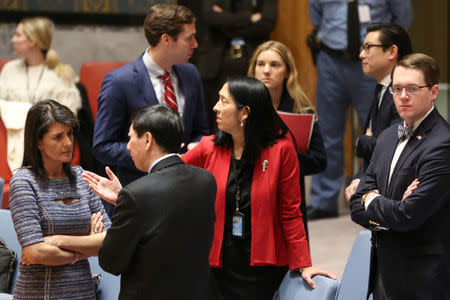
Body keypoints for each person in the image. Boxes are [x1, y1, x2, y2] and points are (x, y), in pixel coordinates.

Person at [183, 77, 336, 299]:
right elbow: (172, 171)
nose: (215, 107)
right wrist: (127, 193)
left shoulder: (281, 150)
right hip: (217, 263)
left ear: (244, 113)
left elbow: (291, 212)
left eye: (223, 101)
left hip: (261, 267)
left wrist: (304, 264)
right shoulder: (210, 146)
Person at [84, 104, 217, 300]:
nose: (128, 146)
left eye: (130, 138)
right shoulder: (206, 180)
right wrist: (123, 196)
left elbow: (111, 262)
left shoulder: (136, 195)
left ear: (147, 139)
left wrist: (97, 234)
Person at [350, 53, 450, 299]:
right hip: (383, 270)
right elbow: (355, 204)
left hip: (423, 277)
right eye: (397, 89)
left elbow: (409, 215)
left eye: (413, 89)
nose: (403, 96)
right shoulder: (386, 137)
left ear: (434, 91)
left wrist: (373, 200)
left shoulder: (442, 144)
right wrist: (388, 207)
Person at [308, 0, 413, 219]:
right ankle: (324, 200)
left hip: (372, 61)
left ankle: (378, 194)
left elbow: (402, 17)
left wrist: (380, 47)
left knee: (381, 132)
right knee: (327, 131)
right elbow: (316, 17)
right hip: (331, 59)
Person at [92, 3, 208, 189]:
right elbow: (103, 146)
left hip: (185, 187)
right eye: (190, 38)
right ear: (166, 40)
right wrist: (157, 158)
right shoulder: (120, 81)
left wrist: (195, 148)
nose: (195, 44)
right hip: (138, 190)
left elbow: (200, 131)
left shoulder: (191, 74)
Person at [8, 100, 110, 300]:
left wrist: (58, 241)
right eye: (58, 137)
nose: (68, 143)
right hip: (39, 294)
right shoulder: (23, 182)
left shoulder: (81, 177)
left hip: (83, 292)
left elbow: (108, 241)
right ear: (38, 142)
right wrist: (84, 250)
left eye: (70, 133)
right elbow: (35, 252)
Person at [247, 40, 327, 240]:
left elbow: (319, 160)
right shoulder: (239, 109)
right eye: (260, 64)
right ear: (253, 69)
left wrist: (282, 157)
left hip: (288, 200)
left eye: (274, 65)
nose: (266, 70)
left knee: (293, 264)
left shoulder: (302, 112)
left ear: (287, 72)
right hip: (248, 197)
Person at [0, 16, 81, 173]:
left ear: (32, 41)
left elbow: (68, 116)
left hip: (49, 143)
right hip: (8, 141)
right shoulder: (9, 69)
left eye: (18, 35)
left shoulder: (61, 73)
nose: (13, 40)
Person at [345, 23, 412, 202]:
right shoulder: (381, 88)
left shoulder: (404, 96)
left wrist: (362, 141)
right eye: (362, 48)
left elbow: (395, 149)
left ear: (391, 52)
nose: (361, 55)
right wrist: (359, 178)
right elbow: (376, 149)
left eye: (368, 47)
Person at [196, 0, 278, 131]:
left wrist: (226, 21)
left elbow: (267, 22)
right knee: (214, 122)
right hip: (216, 63)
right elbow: (210, 17)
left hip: (251, 59)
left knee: (252, 121)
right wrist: (250, 18)